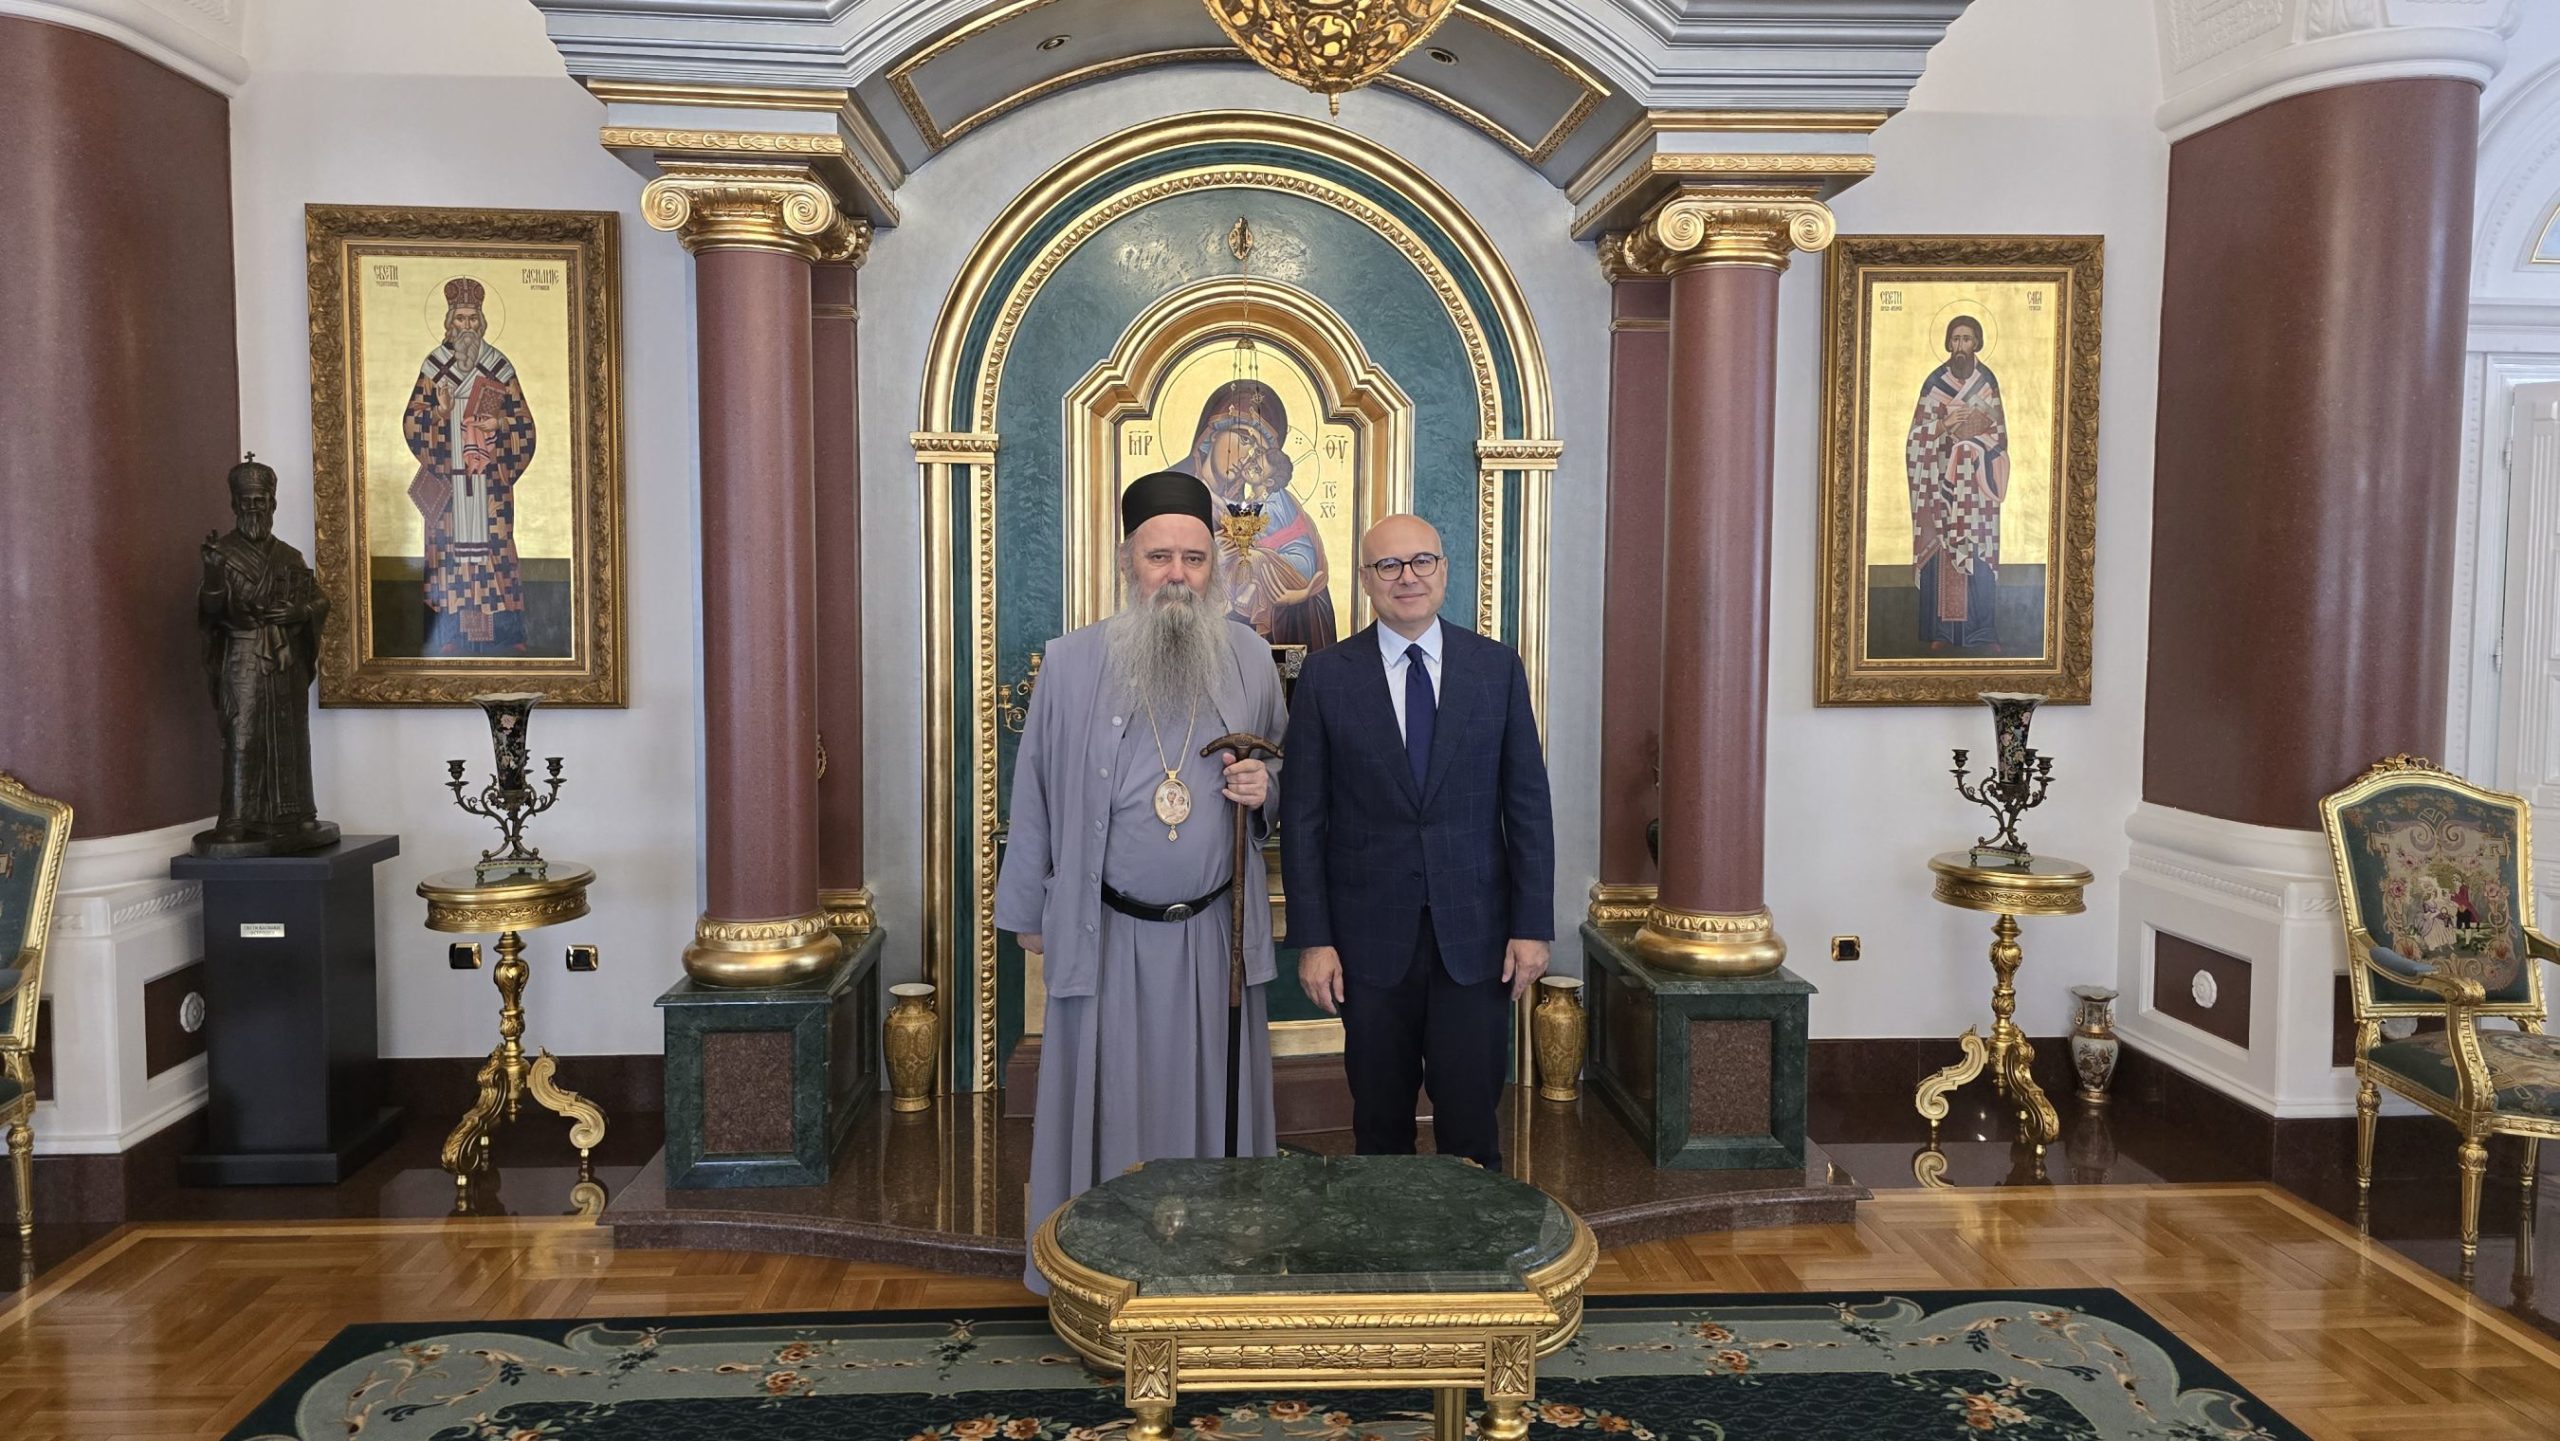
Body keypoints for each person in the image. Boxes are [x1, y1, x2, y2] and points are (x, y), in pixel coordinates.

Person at [995, 470, 1288, 1289]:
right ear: (1128, 560)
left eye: (1194, 557)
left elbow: (1283, 768)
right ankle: (1100, 1267)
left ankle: (1215, 1268)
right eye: (1160, 556)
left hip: (1213, 939)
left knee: (1211, 1104)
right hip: (1108, 933)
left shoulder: (1249, 657)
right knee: (1111, 1101)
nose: (1177, 576)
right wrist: (1029, 910)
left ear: (1214, 565)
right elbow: (1035, 788)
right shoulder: (1071, 661)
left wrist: (1265, 790)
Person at [1280, 514, 1553, 1171]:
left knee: (1472, 1122)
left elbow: (1527, 807)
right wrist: (1314, 940)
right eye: (1389, 565)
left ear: (1444, 570)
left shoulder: (1495, 669)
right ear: (1366, 581)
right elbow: (1304, 817)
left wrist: (1532, 927)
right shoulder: (1327, 677)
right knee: (1379, 1125)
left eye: (1421, 561)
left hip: (1476, 940)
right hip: (1368, 944)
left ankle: (1473, 1236)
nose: (1408, 577)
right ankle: (1385, 1238)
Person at [195, 455, 340, 857]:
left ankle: (299, 814)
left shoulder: (289, 556)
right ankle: (237, 818)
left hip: (284, 659)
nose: (254, 508)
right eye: (247, 502)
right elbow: (211, 613)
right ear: (235, 504)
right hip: (243, 655)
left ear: (272, 504)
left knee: (290, 735)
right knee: (242, 734)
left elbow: (320, 600)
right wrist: (212, 576)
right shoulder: (222, 554)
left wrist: (299, 612)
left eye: (261, 501)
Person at [404, 276, 538, 657]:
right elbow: (412, 423)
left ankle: (504, 636)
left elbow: (525, 427)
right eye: (460, 318)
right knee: (449, 558)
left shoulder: (499, 368)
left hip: (488, 486)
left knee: (493, 553)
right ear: (449, 322)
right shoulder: (433, 368)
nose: (466, 326)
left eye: (472, 318)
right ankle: (447, 636)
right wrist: (440, 413)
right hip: (449, 486)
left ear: (482, 322)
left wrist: (499, 425)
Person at [1178, 378, 1337, 650]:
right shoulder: (1171, 493)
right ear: (1213, 433)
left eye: (1257, 452)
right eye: (1244, 439)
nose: (1246, 457)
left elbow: (1310, 608)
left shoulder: (1263, 504)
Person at [1906, 314, 2011, 652]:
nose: (1961, 346)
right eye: (1955, 339)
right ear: (1948, 343)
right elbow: (1915, 439)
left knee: (1977, 552)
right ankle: (1943, 633)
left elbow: (1999, 437)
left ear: (1977, 342)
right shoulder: (1934, 383)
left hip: (1977, 489)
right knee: (1943, 553)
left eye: (1967, 339)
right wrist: (1945, 424)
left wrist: (1971, 446)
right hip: (1941, 487)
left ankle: (1983, 633)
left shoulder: (1987, 382)